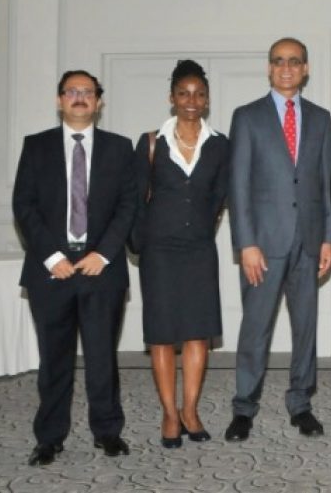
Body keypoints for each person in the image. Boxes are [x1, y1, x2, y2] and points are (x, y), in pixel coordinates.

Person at [13, 70, 138, 466]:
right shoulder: (36, 147)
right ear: (59, 100)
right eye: (72, 91)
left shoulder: (121, 148)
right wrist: (52, 256)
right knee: (54, 359)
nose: (80, 97)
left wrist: (102, 254)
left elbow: (128, 205)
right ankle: (49, 438)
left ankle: (107, 432)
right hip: (52, 269)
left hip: (101, 266)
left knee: (102, 357)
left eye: (88, 92)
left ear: (99, 102)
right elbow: (24, 206)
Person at [225, 37, 331, 442]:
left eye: (294, 61)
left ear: (305, 68)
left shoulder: (322, 119)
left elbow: (328, 184)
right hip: (263, 246)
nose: (286, 68)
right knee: (256, 327)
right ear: (269, 68)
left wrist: (329, 238)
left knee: (305, 327)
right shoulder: (247, 117)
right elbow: (238, 186)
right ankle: (243, 407)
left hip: (309, 242)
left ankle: (301, 404)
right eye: (278, 62)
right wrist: (246, 244)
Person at [132, 60, 229, 448]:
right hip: (159, 251)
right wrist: (141, 244)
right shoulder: (151, 141)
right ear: (172, 98)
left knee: (197, 333)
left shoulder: (220, 144)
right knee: (161, 335)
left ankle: (190, 410)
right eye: (184, 93)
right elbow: (136, 199)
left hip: (199, 251)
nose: (192, 100)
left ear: (207, 101)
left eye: (199, 94)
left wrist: (201, 230)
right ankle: (169, 415)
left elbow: (220, 195)